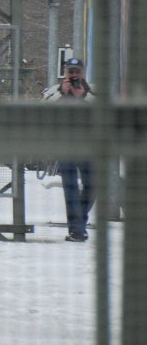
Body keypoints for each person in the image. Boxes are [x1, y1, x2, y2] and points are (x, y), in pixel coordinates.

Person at [56, 57, 94, 242]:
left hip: (89, 148)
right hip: (65, 147)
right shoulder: (55, 93)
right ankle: (77, 230)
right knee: (70, 188)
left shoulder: (92, 94)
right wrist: (64, 95)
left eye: (77, 71)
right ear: (65, 73)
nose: (74, 75)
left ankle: (79, 221)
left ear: (83, 73)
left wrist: (81, 98)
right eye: (70, 72)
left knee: (93, 186)